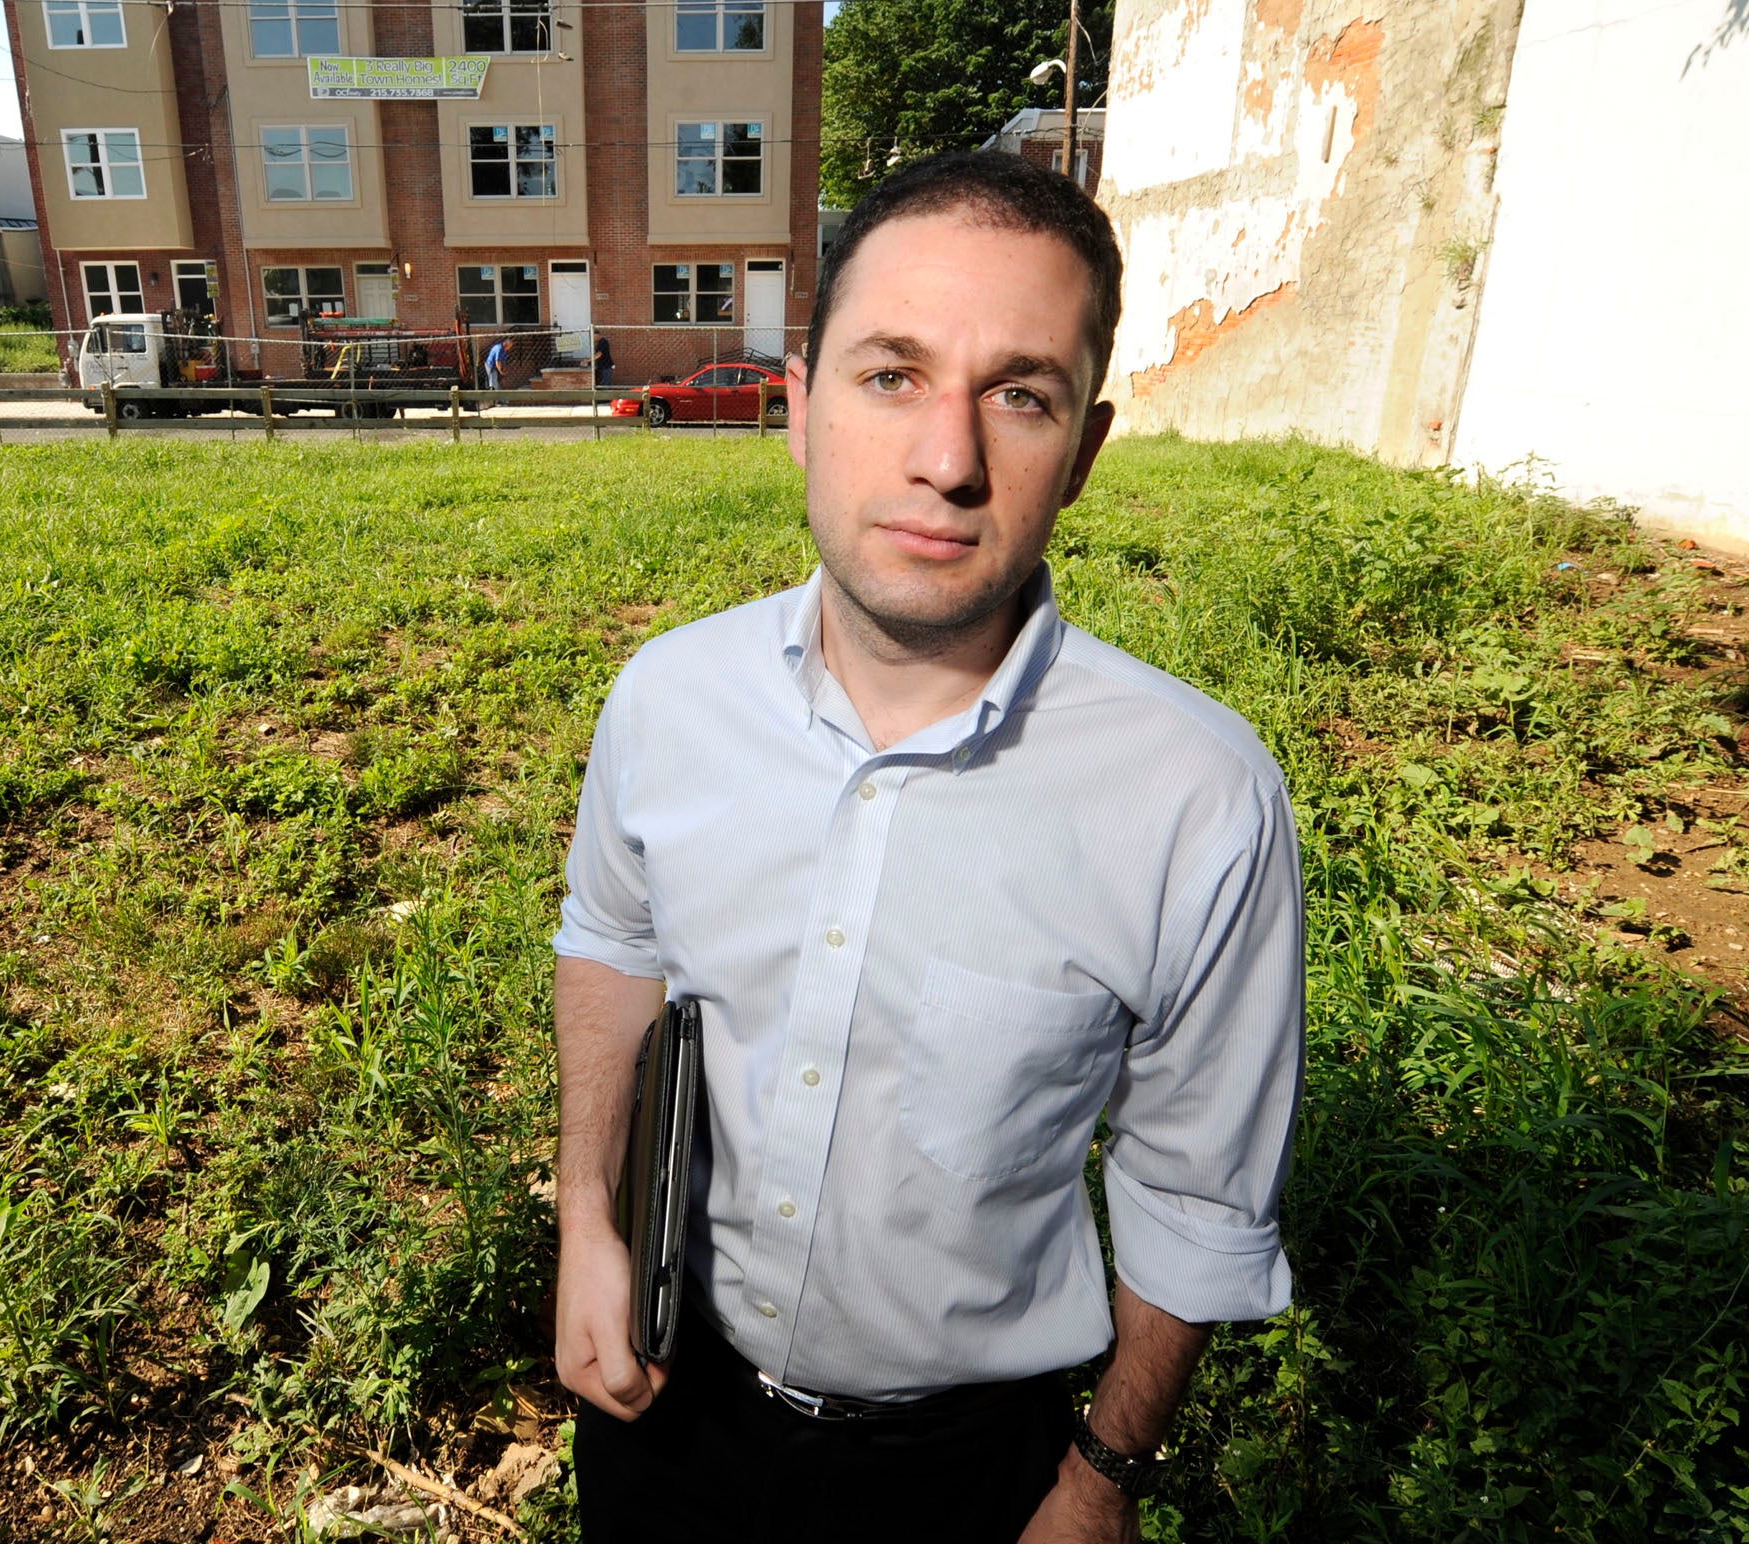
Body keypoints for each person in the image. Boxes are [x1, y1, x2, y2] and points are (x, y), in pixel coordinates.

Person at [551, 150, 1304, 1544]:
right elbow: (614, 943)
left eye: (1018, 395)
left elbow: (1195, 1191)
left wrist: (1100, 1483)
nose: (945, 460)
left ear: (1080, 451)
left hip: (971, 1480)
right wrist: (588, 1228)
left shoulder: (1196, 798)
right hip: (665, 1407)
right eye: (889, 375)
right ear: (797, 410)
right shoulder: (668, 695)